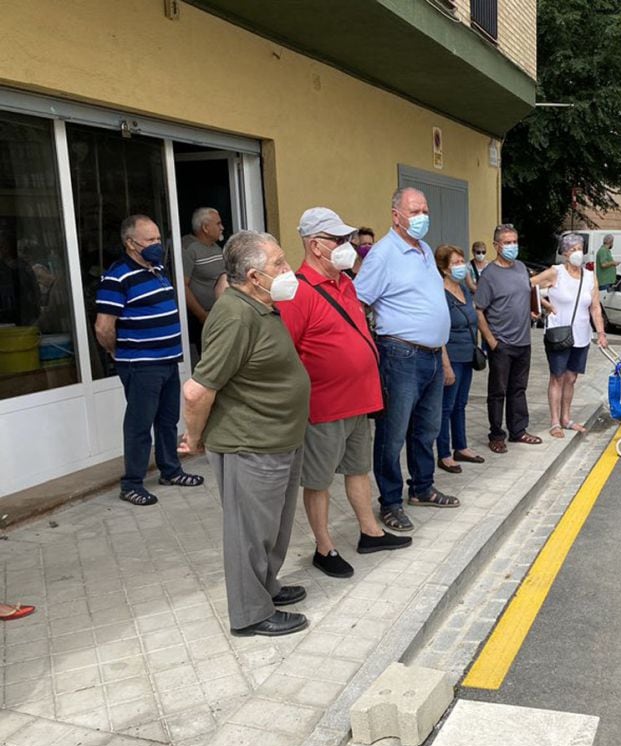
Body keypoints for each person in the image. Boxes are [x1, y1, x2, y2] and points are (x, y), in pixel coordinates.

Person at [179, 231, 311, 637]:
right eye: (279, 265)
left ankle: (266, 587)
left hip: (279, 438)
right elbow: (197, 390)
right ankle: (251, 613)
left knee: (273, 528)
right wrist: (194, 439)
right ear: (254, 276)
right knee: (249, 534)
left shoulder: (261, 307)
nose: (288, 271)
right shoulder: (234, 314)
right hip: (250, 443)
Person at [279, 208, 411, 580]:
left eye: (346, 239)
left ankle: (370, 532)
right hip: (324, 405)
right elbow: (286, 353)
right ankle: (324, 547)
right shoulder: (297, 291)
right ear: (315, 245)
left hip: (359, 400)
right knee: (318, 479)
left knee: (358, 469)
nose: (347, 246)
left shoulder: (347, 284)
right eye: (337, 240)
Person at [355, 188, 458, 533]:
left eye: (425, 209)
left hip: (430, 355)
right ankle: (390, 502)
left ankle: (422, 487)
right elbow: (359, 303)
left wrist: (442, 355)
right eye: (415, 211)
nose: (422, 216)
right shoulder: (383, 254)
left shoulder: (425, 249)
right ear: (395, 215)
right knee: (392, 433)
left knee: (426, 429)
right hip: (400, 355)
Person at [95, 215, 204, 506]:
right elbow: (104, 327)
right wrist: (115, 351)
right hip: (140, 363)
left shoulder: (156, 269)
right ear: (131, 243)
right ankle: (132, 483)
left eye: (158, 238)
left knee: (167, 421)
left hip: (168, 360)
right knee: (139, 425)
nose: (157, 245)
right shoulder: (118, 276)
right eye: (150, 240)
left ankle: (170, 470)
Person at [531, 233, 608, 437]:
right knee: (557, 377)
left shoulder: (590, 276)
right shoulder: (556, 272)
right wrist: (545, 305)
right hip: (558, 333)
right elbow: (529, 284)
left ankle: (566, 418)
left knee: (571, 377)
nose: (577, 253)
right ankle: (555, 422)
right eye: (572, 249)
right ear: (564, 253)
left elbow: (595, 308)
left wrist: (601, 332)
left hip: (581, 335)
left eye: (579, 249)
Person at [475, 224, 543, 454]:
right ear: (496, 245)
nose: (512, 246)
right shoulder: (489, 276)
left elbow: (525, 295)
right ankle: (496, 435)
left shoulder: (521, 267)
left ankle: (518, 430)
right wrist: (492, 342)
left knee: (518, 388)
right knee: (498, 391)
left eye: (514, 241)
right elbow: (479, 310)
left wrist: (532, 312)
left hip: (523, 341)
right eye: (507, 242)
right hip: (502, 343)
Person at [435, 244, 486, 473]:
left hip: (467, 354)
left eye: (462, 261)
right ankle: (444, 454)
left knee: (461, 404)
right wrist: (445, 365)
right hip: (451, 356)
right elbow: (439, 330)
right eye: (455, 263)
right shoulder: (440, 294)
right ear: (444, 268)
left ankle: (461, 446)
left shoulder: (464, 290)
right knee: (446, 406)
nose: (461, 266)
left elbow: (473, 317)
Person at [181, 207, 226, 355]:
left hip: (221, 315)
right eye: (218, 224)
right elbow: (183, 287)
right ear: (205, 228)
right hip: (203, 319)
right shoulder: (189, 249)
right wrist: (202, 316)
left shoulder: (215, 248)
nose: (222, 228)